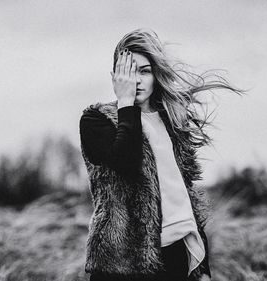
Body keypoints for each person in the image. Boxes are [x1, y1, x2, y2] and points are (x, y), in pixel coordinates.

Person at [79, 28, 244, 281]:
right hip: (122, 265)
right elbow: (128, 163)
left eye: (144, 71)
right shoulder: (96, 120)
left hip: (177, 255)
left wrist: (202, 268)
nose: (136, 80)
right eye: (129, 72)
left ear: (156, 75)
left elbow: (184, 195)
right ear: (115, 77)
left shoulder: (172, 122)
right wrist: (126, 104)